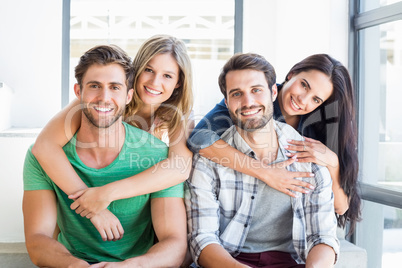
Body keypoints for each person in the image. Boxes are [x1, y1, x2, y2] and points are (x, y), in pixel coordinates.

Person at [23, 44, 187, 267]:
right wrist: (76, 265)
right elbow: (37, 240)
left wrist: (106, 194)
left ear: (128, 95)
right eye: (94, 86)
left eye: (114, 87)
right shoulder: (45, 154)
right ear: (78, 91)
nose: (104, 97)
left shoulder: (161, 149)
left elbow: (180, 168)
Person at [185, 53, 339, 268]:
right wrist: (266, 172)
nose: (248, 102)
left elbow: (323, 237)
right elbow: (202, 240)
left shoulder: (310, 155)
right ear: (226, 102)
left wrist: (333, 162)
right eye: (237, 94)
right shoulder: (210, 158)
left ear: (273, 91)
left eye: (256, 90)